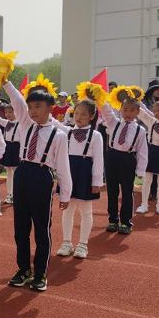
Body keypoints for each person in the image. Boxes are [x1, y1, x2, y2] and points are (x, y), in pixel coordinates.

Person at [2, 78, 72, 292]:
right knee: (20, 229)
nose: (32, 111)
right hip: (23, 174)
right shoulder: (26, 124)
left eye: (38, 107)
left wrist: (66, 193)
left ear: (51, 108)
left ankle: (40, 273)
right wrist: (5, 82)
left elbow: (63, 166)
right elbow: (16, 101)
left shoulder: (59, 134)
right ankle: (23, 269)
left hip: (42, 177)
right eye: (30, 107)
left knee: (42, 230)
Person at [52, 100, 103, 259]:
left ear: (91, 116)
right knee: (67, 209)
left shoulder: (95, 135)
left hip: (85, 173)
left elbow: (99, 159)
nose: (79, 117)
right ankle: (66, 242)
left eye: (83, 114)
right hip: (68, 173)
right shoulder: (66, 132)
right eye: (77, 113)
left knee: (86, 211)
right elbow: (53, 122)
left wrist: (96, 182)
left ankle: (83, 244)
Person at [100, 98, 148, 234]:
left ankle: (126, 222)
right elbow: (106, 111)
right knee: (112, 190)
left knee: (127, 192)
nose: (128, 113)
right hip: (112, 157)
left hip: (128, 159)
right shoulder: (113, 122)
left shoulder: (140, 130)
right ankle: (113, 220)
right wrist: (100, 97)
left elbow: (142, 151)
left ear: (138, 112)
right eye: (125, 109)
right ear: (120, 109)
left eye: (132, 110)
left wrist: (141, 170)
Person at [0, 103, 20, 205]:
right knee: (9, 172)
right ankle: (10, 195)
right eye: (6, 112)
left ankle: (17, 194)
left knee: (17, 173)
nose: (8, 114)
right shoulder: (6, 123)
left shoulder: (21, 123)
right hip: (8, 147)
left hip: (17, 148)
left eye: (10, 112)